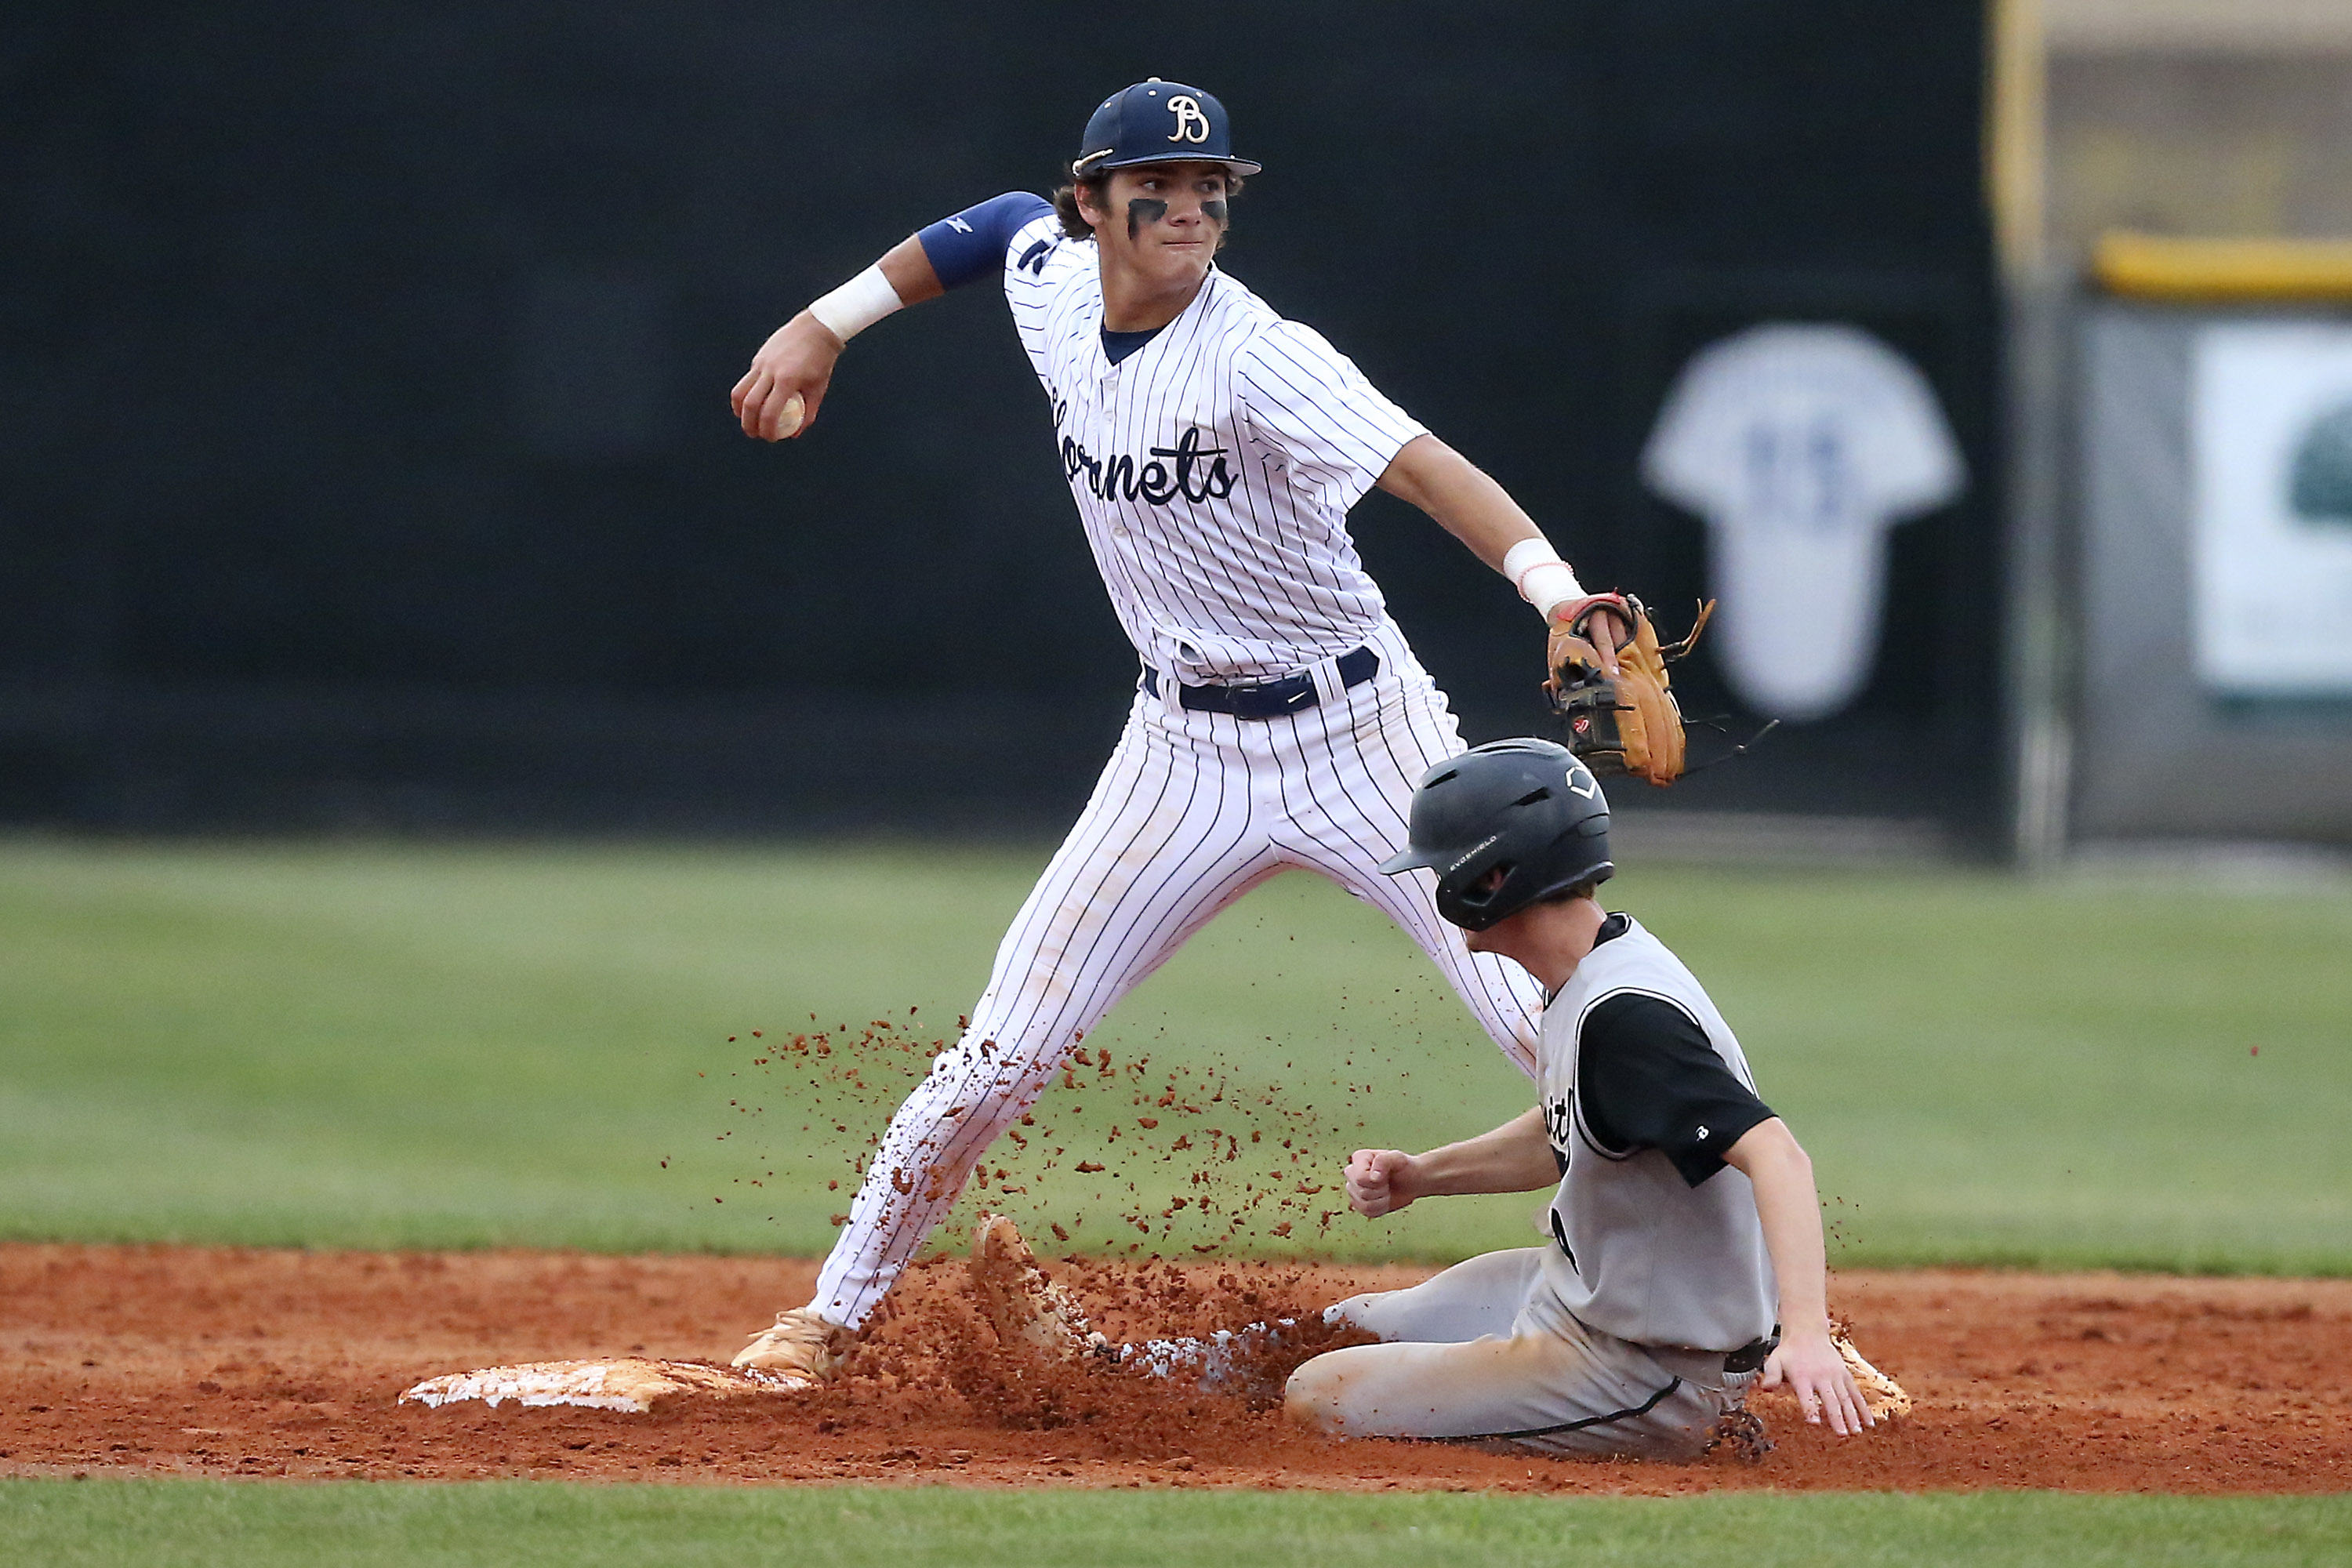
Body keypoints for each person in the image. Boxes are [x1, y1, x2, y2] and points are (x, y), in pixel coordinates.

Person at [726, 79, 1625, 1381]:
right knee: (1001, 1055)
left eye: (1212, 190)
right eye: (1160, 184)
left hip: (1364, 738)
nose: (1193, 207)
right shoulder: (1053, 282)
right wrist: (828, 324)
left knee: (1569, 1020)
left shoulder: (1260, 352)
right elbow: (989, 227)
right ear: (1092, 202)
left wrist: (1554, 592)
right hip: (1180, 754)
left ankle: (1757, 1318)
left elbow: (1425, 466)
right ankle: (830, 1318)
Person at [969, 739, 1900, 1458]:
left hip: (1648, 1366)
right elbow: (1578, 1131)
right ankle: (1104, 1373)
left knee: (1323, 1393)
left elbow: (1777, 1152)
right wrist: (1424, 1175)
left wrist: (1809, 1336)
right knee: (1351, 1323)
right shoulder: (1595, 975)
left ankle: (1694, 1431)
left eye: (1448, 865)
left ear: (1497, 876)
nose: (1439, 886)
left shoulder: (1626, 1016)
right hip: (1584, 1302)